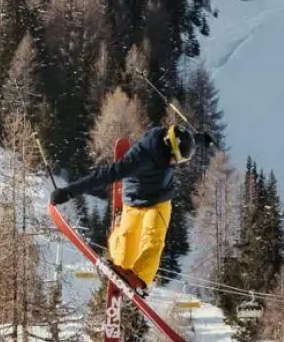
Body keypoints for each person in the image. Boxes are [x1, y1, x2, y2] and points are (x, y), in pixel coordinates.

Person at [50, 119, 208, 291]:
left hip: (159, 204)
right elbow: (104, 175)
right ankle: (120, 266)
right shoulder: (140, 157)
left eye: (180, 161)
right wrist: (69, 191)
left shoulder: (173, 143)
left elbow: (186, 138)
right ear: (168, 147)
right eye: (175, 159)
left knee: (153, 241)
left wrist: (201, 139)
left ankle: (139, 279)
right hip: (133, 203)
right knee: (124, 250)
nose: (175, 163)